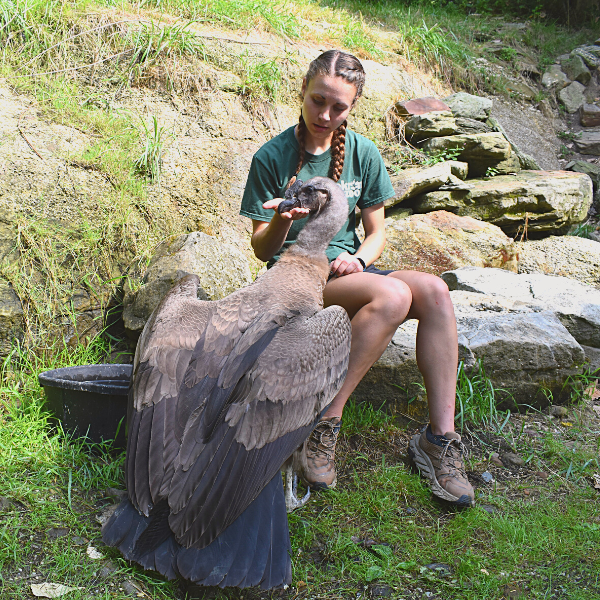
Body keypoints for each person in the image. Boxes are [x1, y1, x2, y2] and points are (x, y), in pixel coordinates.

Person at [239, 50, 474, 507]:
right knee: (392, 296)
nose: (325, 115)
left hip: (350, 271)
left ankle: (439, 440)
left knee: (435, 291)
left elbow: (377, 233)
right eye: (317, 101)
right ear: (302, 91)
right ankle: (323, 421)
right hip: (295, 278)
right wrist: (286, 218)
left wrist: (361, 262)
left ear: (354, 104)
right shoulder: (271, 157)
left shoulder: (362, 153)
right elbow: (262, 248)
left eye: (338, 107)